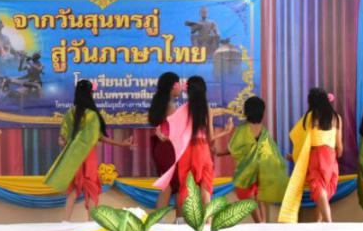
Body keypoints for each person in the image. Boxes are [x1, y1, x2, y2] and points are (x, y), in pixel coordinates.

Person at [45, 80, 133, 222]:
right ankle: (91, 223)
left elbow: (63, 138)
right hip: (88, 156)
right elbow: (99, 137)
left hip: (73, 156)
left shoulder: (69, 113)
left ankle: (64, 222)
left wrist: (63, 142)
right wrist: (121, 144)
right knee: (92, 189)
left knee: (73, 189)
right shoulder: (92, 115)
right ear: (89, 94)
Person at [153, 76, 233, 211]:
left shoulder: (182, 109)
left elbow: (173, 133)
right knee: (205, 189)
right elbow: (210, 138)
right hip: (203, 150)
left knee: (185, 188)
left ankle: (184, 221)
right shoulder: (207, 109)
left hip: (187, 151)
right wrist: (225, 131)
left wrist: (161, 135)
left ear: (188, 91)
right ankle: (207, 221)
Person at [278, 88, 343, 223]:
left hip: (316, 155)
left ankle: (328, 221)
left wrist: (294, 157)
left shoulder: (310, 117)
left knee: (319, 187)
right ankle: (318, 222)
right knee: (324, 189)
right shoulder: (337, 117)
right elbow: (339, 146)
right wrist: (334, 155)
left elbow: (301, 141)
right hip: (331, 156)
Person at [219, 96, 288, 223]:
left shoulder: (242, 130)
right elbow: (270, 150)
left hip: (248, 169)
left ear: (246, 112)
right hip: (263, 169)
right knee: (258, 196)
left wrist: (218, 153)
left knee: (247, 194)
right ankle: (263, 222)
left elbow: (233, 149)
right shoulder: (264, 131)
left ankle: (259, 223)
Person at [148, 72, 183, 213]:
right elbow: (176, 130)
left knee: (168, 184)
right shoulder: (170, 106)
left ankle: (160, 220)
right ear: (173, 86)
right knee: (177, 184)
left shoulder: (161, 104)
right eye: (179, 84)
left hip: (161, 147)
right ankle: (178, 220)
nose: (180, 87)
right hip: (169, 147)